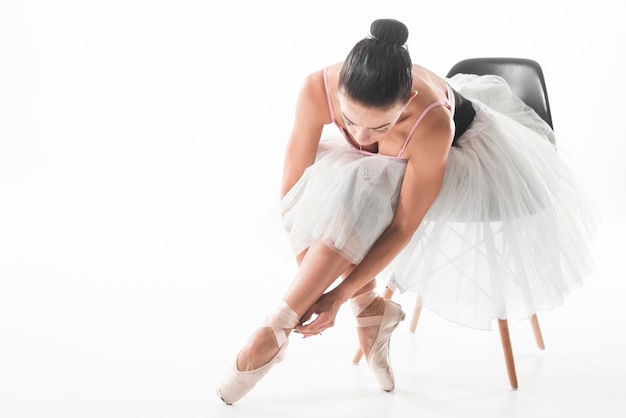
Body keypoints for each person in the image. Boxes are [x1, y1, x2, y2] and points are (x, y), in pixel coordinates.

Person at [216, 18, 594, 405]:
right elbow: (294, 197)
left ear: (407, 103)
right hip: (387, 162)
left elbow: (402, 226)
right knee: (341, 183)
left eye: (379, 127)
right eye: (348, 122)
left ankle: (273, 332)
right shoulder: (316, 90)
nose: (361, 139)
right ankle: (359, 313)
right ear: (338, 90)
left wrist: (338, 296)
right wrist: (316, 294)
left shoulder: (431, 124)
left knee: (363, 182)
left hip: (468, 149)